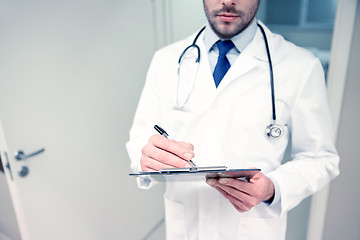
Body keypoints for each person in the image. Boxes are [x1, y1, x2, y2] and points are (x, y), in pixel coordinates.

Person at [126, 0, 340, 239]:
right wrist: (148, 158)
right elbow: (140, 141)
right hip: (185, 228)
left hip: (252, 228)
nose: (228, 1)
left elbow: (320, 158)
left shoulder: (300, 66)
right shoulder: (166, 60)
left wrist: (273, 188)